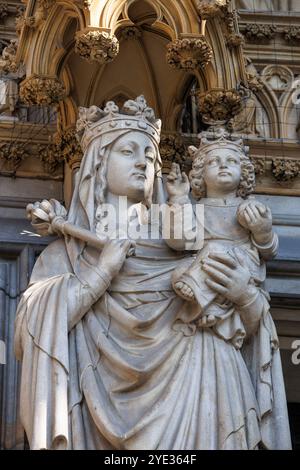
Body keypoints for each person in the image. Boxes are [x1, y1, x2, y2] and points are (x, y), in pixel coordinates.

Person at [14, 97, 291, 449]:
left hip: (205, 391)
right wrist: (103, 271)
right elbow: (35, 330)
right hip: (93, 407)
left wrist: (245, 295)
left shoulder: (190, 241)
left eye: (149, 155)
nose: (142, 162)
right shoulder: (67, 253)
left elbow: (253, 334)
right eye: (128, 151)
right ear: (98, 163)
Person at [166, 128, 278, 332]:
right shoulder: (195, 209)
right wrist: (179, 198)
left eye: (232, 161)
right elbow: (179, 241)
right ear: (200, 174)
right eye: (213, 162)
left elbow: (269, 250)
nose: (223, 165)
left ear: (244, 173)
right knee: (179, 271)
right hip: (205, 266)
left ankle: (209, 303)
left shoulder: (250, 207)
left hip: (240, 264)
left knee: (214, 249)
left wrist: (262, 231)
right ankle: (211, 309)